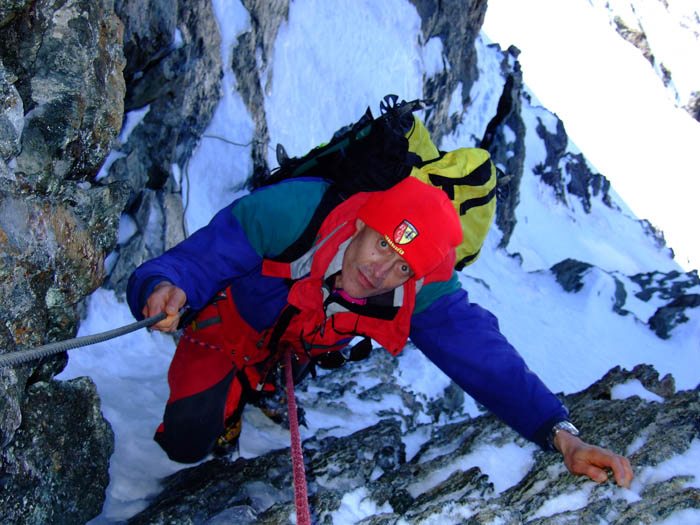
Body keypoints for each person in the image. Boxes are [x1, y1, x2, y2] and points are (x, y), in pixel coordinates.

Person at [127, 175, 633, 487]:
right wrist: (163, 287)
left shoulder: (417, 291)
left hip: (303, 340)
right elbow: (196, 260)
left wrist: (559, 435)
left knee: (282, 371)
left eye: (403, 268)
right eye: (385, 245)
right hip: (232, 323)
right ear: (364, 223)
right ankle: (230, 401)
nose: (381, 272)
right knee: (188, 440)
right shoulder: (291, 214)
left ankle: (257, 388)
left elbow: (486, 360)